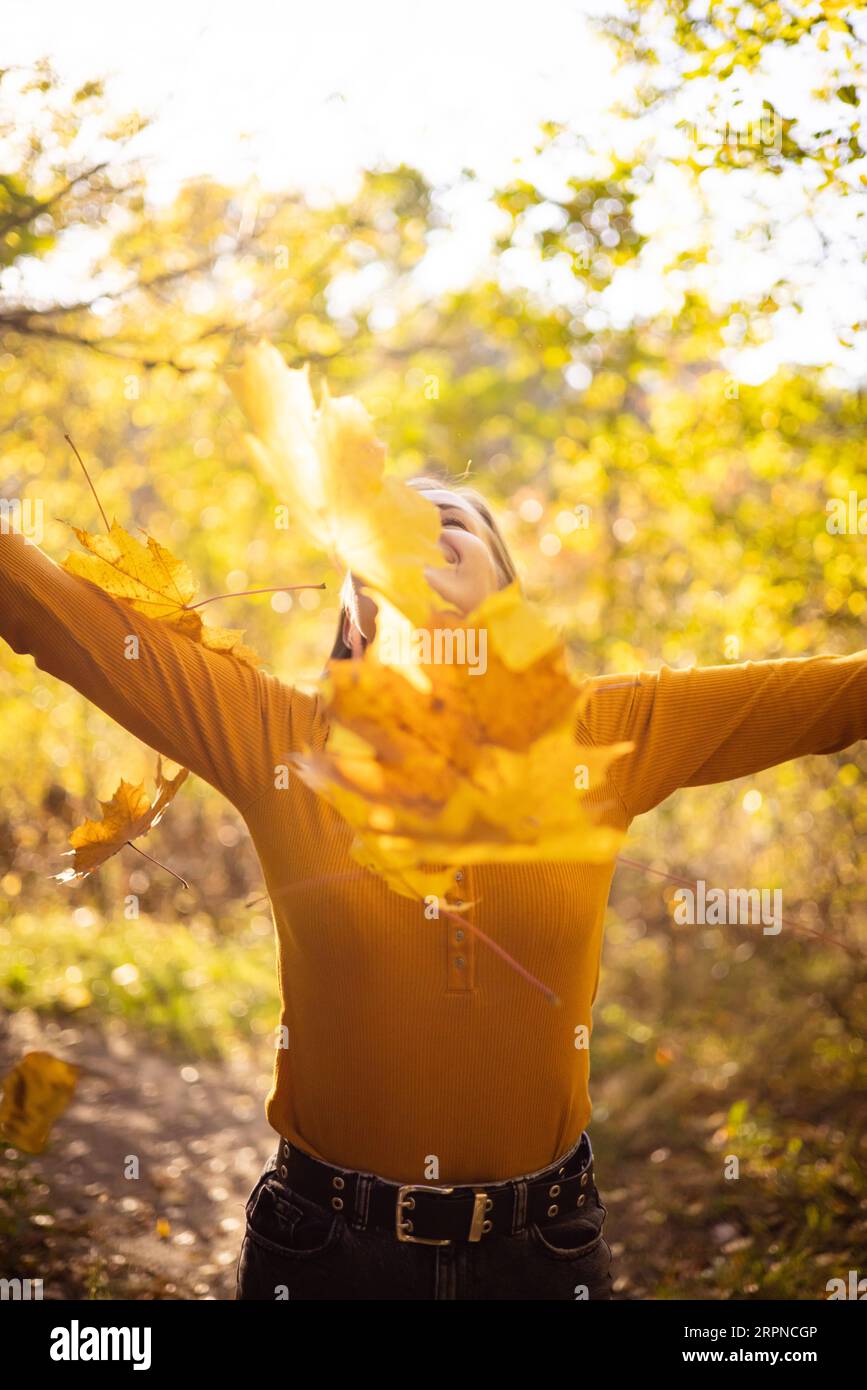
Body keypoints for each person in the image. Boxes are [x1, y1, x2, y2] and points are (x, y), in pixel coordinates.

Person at [1, 472, 865, 1301]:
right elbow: (45, 610)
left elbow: (836, 696)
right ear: (355, 605)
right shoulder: (278, 736)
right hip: (323, 1250)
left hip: (543, 1250)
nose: (420, 529)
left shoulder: (604, 731)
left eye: (449, 519)